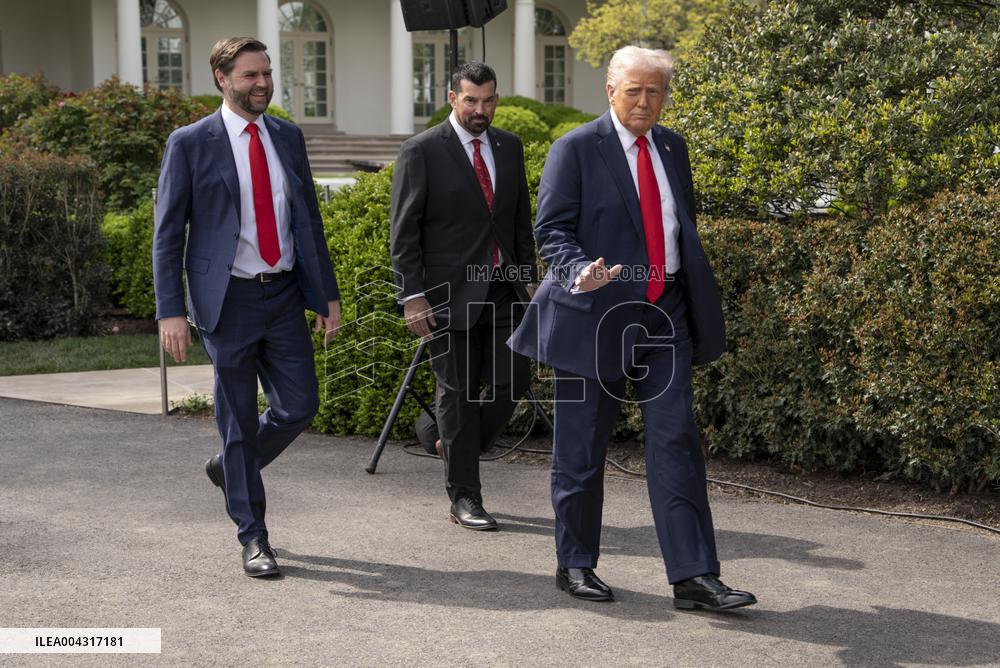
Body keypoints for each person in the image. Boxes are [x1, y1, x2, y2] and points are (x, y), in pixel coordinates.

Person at [509, 46, 757, 611]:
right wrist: (579, 270)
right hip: (595, 318)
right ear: (611, 90)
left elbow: (677, 222)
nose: (645, 101)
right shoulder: (575, 147)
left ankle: (694, 577)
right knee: (581, 448)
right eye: (635, 91)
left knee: (676, 440)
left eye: (656, 91)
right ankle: (574, 564)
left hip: (663, 312)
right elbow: (551, 231)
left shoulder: (672, 146)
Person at [153, 37, 341, 578]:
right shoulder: (190, 143)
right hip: (226, 299)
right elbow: (168, 235)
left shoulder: (286, 135)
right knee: (236, 419)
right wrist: (169, 311)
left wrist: (325, 294)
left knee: (300, 406)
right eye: (250, 75)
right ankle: (254, 537)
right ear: (222, 78)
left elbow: (307, 219)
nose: (262, 84)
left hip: (282, 293)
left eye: (267, 73)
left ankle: (230, 467)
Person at [390, 62, 538, 531]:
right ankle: (465, 497)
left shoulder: (510, 147)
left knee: (513, 380)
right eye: (471, 100)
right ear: (452, 97)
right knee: (456, 390)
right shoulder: (421, 151)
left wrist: (529, 279)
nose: (481, 109)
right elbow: (404, 232)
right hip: (445, 295)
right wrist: (412, 296)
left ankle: (440, 436)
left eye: (489, 100)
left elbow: (518, 223)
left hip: (504, 289)